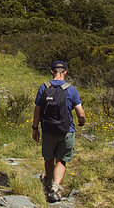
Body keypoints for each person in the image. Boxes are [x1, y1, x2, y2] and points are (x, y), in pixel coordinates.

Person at [32, 60, 86, 203]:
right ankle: (56, 187)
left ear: (52, 72)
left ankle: (48, 183)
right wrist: (82, 122)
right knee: (61, 160)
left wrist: (35, 128)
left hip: (48, 129)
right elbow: (81, 113)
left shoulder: (44, 87)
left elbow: (37, 110)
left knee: (48, 158)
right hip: (66, 130)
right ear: (65, 72)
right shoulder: (71, 89)